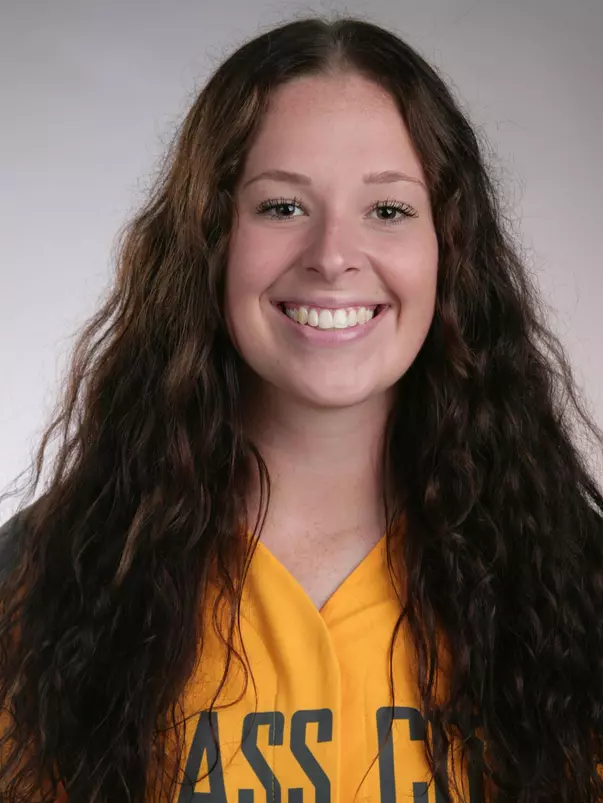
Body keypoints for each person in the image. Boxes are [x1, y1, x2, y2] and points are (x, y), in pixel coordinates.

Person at [0, 13, 602, 803]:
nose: (331, 257)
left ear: (449, 248)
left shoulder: (573, 584)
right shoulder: (45, 581)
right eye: (282, 207)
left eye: (387, 210)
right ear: (210, 239)